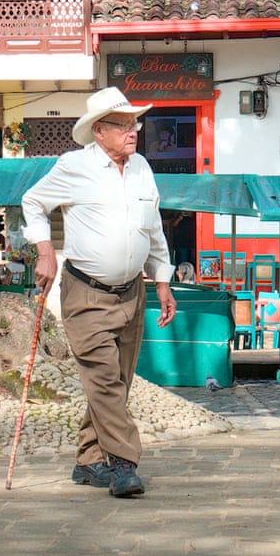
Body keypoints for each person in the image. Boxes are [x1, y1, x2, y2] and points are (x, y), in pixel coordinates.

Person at [22, 86, 176, 499]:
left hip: (132, 292)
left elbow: (153, 228)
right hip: (85, 292)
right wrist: (45, 251)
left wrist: (162, 280)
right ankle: (124, 463)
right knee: (105, 380)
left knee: (118, 381)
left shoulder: (142, 167)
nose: (134, 131)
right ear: (99, 130)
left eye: (135, 124)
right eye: (124, 124)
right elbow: (33, 203)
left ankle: (89, 461)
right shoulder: (74, 166)